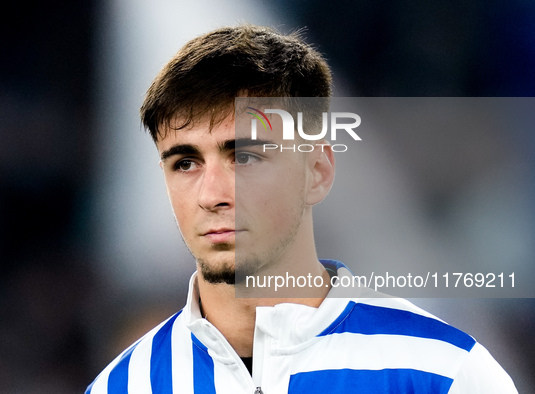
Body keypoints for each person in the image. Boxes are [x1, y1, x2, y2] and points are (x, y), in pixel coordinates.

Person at [85, 24, 517, 393]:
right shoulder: (122, 385)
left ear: (317, 171)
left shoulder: (443, 373)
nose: (211, 194)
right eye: (185, 162)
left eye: (245, 156)